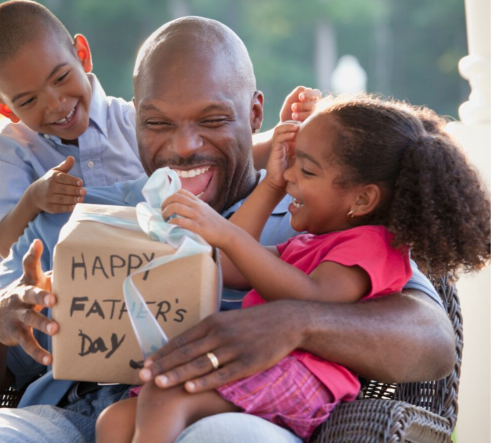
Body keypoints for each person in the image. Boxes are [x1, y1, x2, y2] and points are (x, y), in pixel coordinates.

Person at [0, 16, 456, 443]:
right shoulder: (81, 215)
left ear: (255, 114)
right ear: (134, 121)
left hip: (229, 415)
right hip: (67, 420)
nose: (184, 146)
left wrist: (296, 322)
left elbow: (432, 342)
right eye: (158, 123)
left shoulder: (316, 220)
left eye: (211, 120)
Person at [95, 96, 491, 442]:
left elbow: (313, 299)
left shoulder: (373, 246)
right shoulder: (309, 244)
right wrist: (270, 187)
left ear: (363, 198)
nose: (290, 177)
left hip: (303, 377)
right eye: (293, 164)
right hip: (269, 368)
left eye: (308, 170)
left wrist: (227, 235)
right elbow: (232, 266)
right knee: (116, 420)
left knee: (165, 395)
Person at [0, 0, 319, 260]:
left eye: (61, 78)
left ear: (83, 54)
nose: (55, 104)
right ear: (6, 109)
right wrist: (33, 200)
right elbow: (4, 249)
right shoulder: (9, 155)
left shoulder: (129, 120)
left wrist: (287, 134)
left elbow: (222, 155)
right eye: (29, 100)